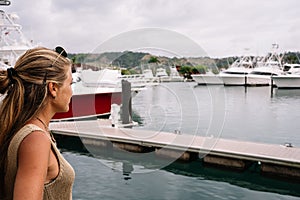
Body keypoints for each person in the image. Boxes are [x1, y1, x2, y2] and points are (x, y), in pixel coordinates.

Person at [0, 46, 75, 200]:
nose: (72, 91)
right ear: (53, 88)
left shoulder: (19, 127)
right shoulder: (36, 139)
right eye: (70, 84)